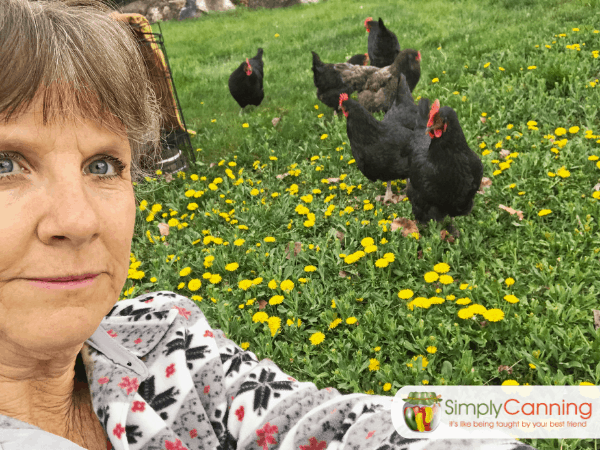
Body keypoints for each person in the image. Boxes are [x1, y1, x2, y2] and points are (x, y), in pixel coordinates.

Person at [0, 1, 537, 449]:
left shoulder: (165, 340)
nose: (78, 220)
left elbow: (320, 426)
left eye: (103, 165)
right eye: (6, 163)